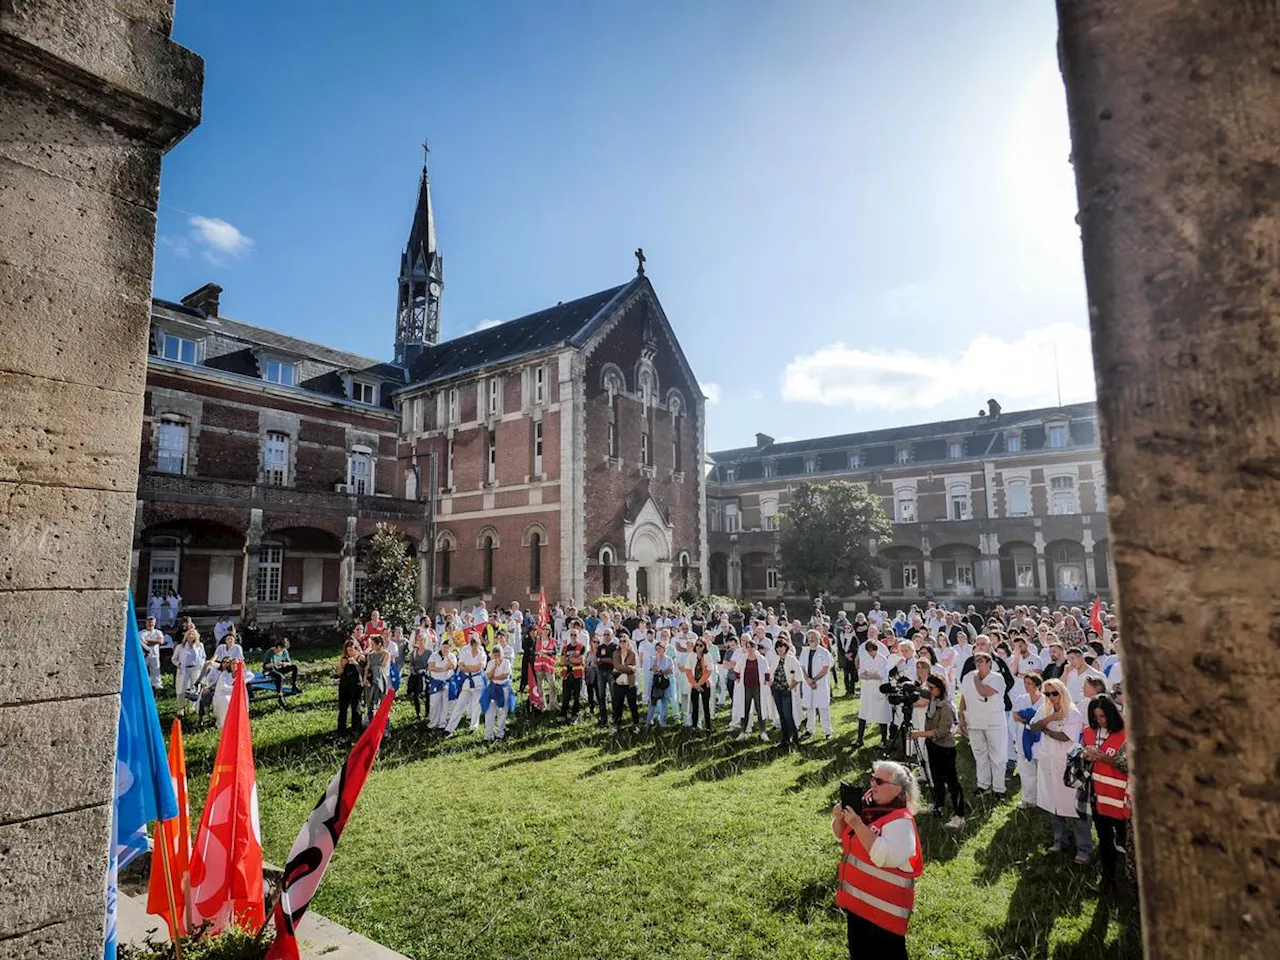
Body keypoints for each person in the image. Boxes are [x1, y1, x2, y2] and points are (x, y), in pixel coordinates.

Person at [831, 760, 924, 960]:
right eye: (873, 778)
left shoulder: (902, 822)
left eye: (879, 781)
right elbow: (841, 835)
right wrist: (840, 819)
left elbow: (884, 857)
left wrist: (857, 824)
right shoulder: (866, 807)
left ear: (898, 789)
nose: (872, 784)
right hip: (858, 908)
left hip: (884, 918)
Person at [1031, 678, 1092, 863]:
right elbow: (1033, 726)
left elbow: (1065, 736)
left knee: (1075, 807)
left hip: (1069, 765)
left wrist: (1046, 729)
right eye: (1047, 694)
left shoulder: (1073, 712)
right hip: (1049, 762)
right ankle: (1060, 841)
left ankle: (1084, 849)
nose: (1051, 697)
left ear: (1062, 692)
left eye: (1054, 693)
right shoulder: (1045, 709)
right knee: (1054, 804)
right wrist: (1049, 719)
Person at [1083, 694, 1130, 886]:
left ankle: (1131, 877)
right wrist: (1085, 756)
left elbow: (1127, 765)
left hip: (1120, 798)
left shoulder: (1125, 735)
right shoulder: (1089, 732)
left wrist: (1102, 757)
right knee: (1104, 839)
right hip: (1098, 795)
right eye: (1095, 717)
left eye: (1102, 716)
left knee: (1125, 840)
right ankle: (1108, 877)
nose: (1099, 721)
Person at [910, 674, 965, 828]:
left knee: (952, 782)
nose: (929, 690)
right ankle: (938, 804)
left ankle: (960, 815)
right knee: (936, 778)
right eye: (928, 687)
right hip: (932, 745)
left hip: (945, 748)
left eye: (932, 688)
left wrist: (919, 734)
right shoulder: (932, 703)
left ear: (940, 689)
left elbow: (941, 731)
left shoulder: (946, 707)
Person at [959, 650, 1008, 799]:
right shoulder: (967, 677)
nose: (978, 662)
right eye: (976, 660)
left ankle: (999, 788)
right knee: (979, 755)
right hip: (974, 721)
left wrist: (976, 678)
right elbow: (964, 697)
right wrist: (962, 717)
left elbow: (984, 692)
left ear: (989, 662)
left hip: (994, 723)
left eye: (982, 659)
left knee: (997, 756)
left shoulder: (997, 678)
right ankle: (983, 785)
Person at [1011, 673, 1046, 808]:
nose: (1026, 686)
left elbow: (1044, 720)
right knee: (1026, 771)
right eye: (1025, 683)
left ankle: (1043, 800)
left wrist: (1030, 721)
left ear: (1038, 685)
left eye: (1029, 683)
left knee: (1042, 772)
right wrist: (1030, 721)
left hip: (1040, 740)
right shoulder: (1021, 699)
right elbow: (1015, 716)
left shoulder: (1045, 700)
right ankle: (1029, 798)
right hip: (1023, 738)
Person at [446, 633, 488, 735]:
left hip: (478, 681)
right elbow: (461, 666)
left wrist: (468, 667)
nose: (474, 646)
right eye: (473, 644)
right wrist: (470, 668)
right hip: (467, 681)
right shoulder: (466, 651)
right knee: (459, 705)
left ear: (478, 644)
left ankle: (473, 727)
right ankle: (449, 728)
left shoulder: (482, 652)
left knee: (476, 705)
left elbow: (479, 667)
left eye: (476, 644)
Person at [732, 637, 771, 741]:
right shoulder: (742, 659)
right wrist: (737, 679)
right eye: (747, 647)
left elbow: (767, 671)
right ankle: (743, 732)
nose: (750, 649)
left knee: (760, 709)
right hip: (746, 688)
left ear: (755, 647)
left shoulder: (762, 659)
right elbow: (736, 671)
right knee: (745, 708)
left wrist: (767, 680)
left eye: (752, 647)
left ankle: (763, 732)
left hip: (758, 687)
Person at [855, 639, 891, 747]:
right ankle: (859, 739)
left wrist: (869, 675)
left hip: (878, 690)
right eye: (869, 651)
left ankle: (884, 741)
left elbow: (881, 675)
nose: (871, 653)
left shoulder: (882, 659)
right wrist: (872, 675)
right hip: (866, 690)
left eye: (873, 650)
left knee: (882, 715)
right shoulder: (864, 658)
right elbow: (861, 674)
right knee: (863, 713)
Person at [800, 629, 835, 739]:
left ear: (819, 639)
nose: (811, 639)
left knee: (823, 708)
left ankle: (827, 731)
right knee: (810, 708)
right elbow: (802, 668)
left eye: (814, 637)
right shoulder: (804, 651)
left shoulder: (824, 652)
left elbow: (825, 669)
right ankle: (809, 730)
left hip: (820, 684)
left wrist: (814, 680)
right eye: (809, 637)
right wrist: (808, 680)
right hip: (808, 684)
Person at [769, 637, 803, 749]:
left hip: (786, 691)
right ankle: (785, 739)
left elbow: (798, 676)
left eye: (781, 647)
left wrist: (790, 687)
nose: (779, 649)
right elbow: (771, 673)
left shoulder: (792, 660)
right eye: (777, 647)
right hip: (776, 690)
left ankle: (795, 739)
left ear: (786, 647)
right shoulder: (775, 660)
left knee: (788, 716)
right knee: (782, 716)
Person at [481, 643, 514, 742]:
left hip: (503, 688)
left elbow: (506, 674)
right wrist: (494, 667)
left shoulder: (506, 662)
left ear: (502, 654)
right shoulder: (491, 663)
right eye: (495, 655)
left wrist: (494, 677)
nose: (497, 657)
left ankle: (500, 733)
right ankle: (488, 735)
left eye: (498, 655)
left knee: (503, 712)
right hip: (492, 688)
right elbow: (487, 676)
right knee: (489, 712)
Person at [683, 637, 716, 732]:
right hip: (694, 682)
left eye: (700, 645)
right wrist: (694, 684)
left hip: (704, 682)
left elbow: (708, 671)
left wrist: (699, 683)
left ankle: (708, 727)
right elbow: (688, 670)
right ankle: (694, 726)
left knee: (706, 706)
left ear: (704, 646)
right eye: (696, 645)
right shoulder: (691, 656)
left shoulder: (708, 656)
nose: (698, 647)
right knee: (695, 706)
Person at [173, 628, 206, 718]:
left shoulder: (200, 646)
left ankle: (193, 706)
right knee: (181, 689)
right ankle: (180, 708)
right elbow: (174, 658)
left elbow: (203, 657)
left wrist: (202, 667)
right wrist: (178, 664)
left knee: (195, 688)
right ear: (186, 636)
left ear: (196, 636)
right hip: (183, 670)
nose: (190, 636)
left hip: (195, 669)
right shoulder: (180, 646)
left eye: (192, 634)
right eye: (189, 634)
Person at [611, 633, 641, 731]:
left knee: (633, 705)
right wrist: (628, 668)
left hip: (630, 684)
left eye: (625, 641)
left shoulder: (633, 654)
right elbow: (616, 666)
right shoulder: (615, 653)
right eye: (621, 641)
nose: (622, 643)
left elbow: (634, 669)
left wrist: (622, 668)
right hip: (619, 683)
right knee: (617, 706)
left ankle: (636, 725)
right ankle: (617, 725)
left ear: (628, 642)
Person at [426, 637, 456, 729]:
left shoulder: (451, 656)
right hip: (436, 681)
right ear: (441, 646)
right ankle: (433, 723)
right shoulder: (434, 655)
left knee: (445, 703)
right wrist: (442, 669)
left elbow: (453, 667)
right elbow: (431, 667)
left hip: (447, 681)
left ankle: (442, 723)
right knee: (434, 703)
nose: (445, 649)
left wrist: (447, 657)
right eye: (444, 647)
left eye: (447, 647)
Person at [559, 625, 586, 722]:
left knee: (576, 696)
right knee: (565, 695)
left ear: (578, 636)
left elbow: (580, 659)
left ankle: (575, 714)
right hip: (567, 674)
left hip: (577, 675)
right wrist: (572, 660)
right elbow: (562, 661)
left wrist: (568, 659)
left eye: (575, 635)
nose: (573, 636)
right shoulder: (565, 647)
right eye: (572, 635)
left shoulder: (582, 646)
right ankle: (563, 714)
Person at [364, 635, 393, 726]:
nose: (371, 647)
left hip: (382, 679)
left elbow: (382, 666)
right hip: (372, 680)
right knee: (371, 702)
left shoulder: (386, 654)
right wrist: (365, 678)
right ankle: (372, 723)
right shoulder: (370, 655)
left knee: (383, 702)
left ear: (379, 644)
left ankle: (385, 726)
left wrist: (373, 669)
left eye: (373, 645)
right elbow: (367, 667)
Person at [593, 628, 619, 727]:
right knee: (601, 695)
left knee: (613, 695)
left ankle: (615, 718)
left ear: (612, 635)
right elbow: (596, 660)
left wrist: (602, 659)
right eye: (604, 634)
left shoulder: (615, 647)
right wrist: (605, 659)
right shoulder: (600, 647)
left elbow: (613, 661)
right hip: (601, 672)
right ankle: (603, 718)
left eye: (608, 634)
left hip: (611, 672)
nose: (606, 636)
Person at [647, 639, 675, 728]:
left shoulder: (669, 659)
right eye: (657, 649)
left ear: (664, 649)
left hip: (665, 683)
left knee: (664, 702)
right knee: (653, 702)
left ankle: (662, 721)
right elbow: (653, 670)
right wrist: (657, 661)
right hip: (655, 683)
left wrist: (662, 671)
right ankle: (649, 720)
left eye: (660, 648)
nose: (658, 650)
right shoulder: (653, 659)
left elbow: (671, 670)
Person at [532, 626, 560, 712]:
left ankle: (553, 705)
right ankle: (542, 705)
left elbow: (555, 652)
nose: (544, 631)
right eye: (543, 629)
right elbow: (532, 652)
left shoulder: (552, 641)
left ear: (549, 631)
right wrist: (537, 653)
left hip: (549, 666)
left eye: (546, 629)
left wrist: (547, 652)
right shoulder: (537, 640)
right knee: (540, 686)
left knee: (552, 685)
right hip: (539, 665)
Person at [263, 639, 299, 705]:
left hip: (280, 668)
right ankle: (280, 695)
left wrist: (286, 663)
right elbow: (266, 666)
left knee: (294, 667)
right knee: (279, 676)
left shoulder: (284, 652)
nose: (283, 650)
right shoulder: (270, 652)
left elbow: (289, 662)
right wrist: (275, 663)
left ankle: (294, 685)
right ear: (278, 646)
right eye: (282, 648)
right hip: (271, 670)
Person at [407, 631, 433, 720]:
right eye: (419, 640)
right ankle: (418, 714)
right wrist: (413, 671)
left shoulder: (429, 652)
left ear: (425, 641)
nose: (420, 641)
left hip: (426, 676)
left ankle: (427, 713)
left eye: (422, 640)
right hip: (415, 676)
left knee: (427, 695)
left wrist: (425, 670)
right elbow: (411, 664)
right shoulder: (414, 652)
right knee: (416, 695)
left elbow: (431, 665)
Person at [140, 615, 165, 690]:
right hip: (145, 655)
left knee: (156, 670)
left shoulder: (158, 632)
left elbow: (161, 641)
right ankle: (143, 685)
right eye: (149, 622)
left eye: (152, 623)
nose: (150, 624)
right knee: (143, 670)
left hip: (155, 655)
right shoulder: (142, 633)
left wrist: (149, 640)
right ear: (146, 623)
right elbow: (143, 642)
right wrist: (155, 641)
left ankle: (157, 687)